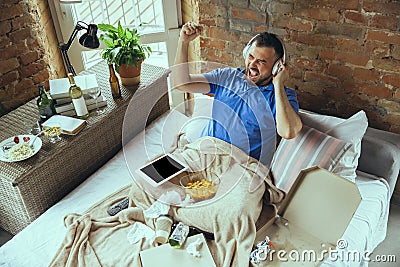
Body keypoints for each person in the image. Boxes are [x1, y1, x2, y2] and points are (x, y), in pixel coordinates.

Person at [172, 22, 302, 166]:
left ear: (277, 66)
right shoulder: (228, 76)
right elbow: (181, 83)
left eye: (261, 61)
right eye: (251, 57)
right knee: (152, 179)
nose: (252, 64)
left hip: (239, 166)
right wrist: (183, 42)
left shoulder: (281, 97)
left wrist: (278, 84)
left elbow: (288, 132)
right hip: (204, 151)